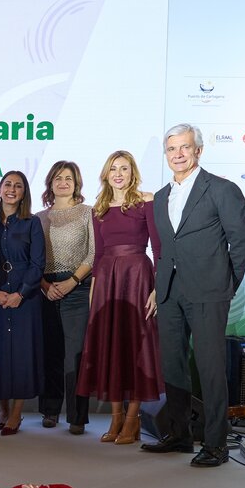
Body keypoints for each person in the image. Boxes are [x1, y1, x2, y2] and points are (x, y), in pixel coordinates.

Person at [143, 124, 245, 467]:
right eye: (172, 148)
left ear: (198, 151)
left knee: (209, 367)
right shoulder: (160, 196)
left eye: (185, 147)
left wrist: (226, 285)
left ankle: (216, 443)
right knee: (173, 367)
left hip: (209, 292)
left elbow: (242, 241)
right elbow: (164, 248)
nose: (177, 154)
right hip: (170, 294)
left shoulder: (222, 189)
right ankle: (178, 433)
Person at [76, 151, 163, 445]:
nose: (118, 173)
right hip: (106, 281)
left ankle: (132, 419)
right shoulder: (98, 208)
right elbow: (99, 254)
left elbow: (158, 247)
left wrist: (157, 288)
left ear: (132, 172)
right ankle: (115, 419)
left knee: (136, 345)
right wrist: (93, 292)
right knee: (110, 346)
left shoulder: (146, 201)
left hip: (138, 277)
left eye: (124, 168)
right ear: (106, 173)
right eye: (113, 168)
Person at [0, 171, 45, 435]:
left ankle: (17, 414)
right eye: (7, 184)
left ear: (24, 193)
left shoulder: (32, 223)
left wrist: (21, 292)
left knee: (21, 354)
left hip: (25, 297)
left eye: (18, 186)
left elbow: (38, 263)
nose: (11, 189)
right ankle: (4, 409)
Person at [36, 161, 94, 435]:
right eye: (58, 177)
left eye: (68, 178)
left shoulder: (87, 213)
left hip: (77, 287)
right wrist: (47, 285)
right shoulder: (38, 217)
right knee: (50, 353)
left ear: (76, 183)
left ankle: (77, 416)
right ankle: (50, 410)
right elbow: (33, 260)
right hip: (45, 289)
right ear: (50, 183)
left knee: (75, 356)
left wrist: (72, 282)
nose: (63, 182)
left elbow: (93, 254)